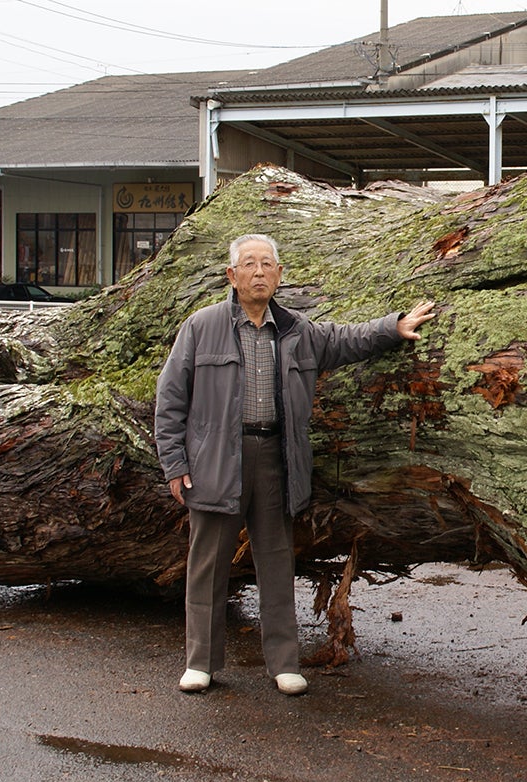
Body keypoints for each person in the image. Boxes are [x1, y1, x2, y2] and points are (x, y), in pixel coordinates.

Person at [154, 233, 436, 696]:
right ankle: (200, 662)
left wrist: (393, 326)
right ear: (232, 275)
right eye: (249, 264)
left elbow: (344, 341)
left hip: (275, 458)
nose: (259, 272)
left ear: (280, 275)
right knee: (207, 565)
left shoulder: (295, 330)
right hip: (214, 461)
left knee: (276, 562)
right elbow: (170, 400)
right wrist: (175, 463)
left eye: (268, 264)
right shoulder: (201, 327)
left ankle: (284, 663)